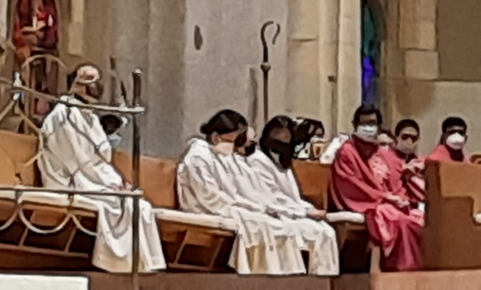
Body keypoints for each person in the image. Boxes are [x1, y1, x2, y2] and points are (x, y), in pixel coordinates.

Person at [39, 64, 166, 273]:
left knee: (140, 206)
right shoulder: (64, 116)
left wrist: (117, 182)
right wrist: (110, 185)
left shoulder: (88, 116)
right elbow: (79, 163)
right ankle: (121, 268)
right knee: (123, 205)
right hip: (71, 181)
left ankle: (143, 268)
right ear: (75, 84)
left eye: (97, 78)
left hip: (94, 178)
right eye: (89, 78)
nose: (95, 84)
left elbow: (100, 160)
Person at [177, 110, 305, 275]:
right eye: (234, 139)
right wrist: (246, 206)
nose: (237, 145)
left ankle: (284, 278)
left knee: (273, 224)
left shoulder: (220, 155)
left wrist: (253, 206)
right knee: (261, 224)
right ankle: (256, 276)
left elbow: (236, 192)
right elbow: (208, 196)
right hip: (204, 208)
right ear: (216, 137)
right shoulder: (198, 156)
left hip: (226, 206)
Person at [330, 105, 423, 272]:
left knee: (419, 219)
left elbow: (393, 182)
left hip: (387, 201)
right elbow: (350, 184)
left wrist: (400, 198)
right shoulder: (347, 152)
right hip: (368, 203)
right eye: (363, 123)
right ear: (354, 124)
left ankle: (416, 273)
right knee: (397, 220)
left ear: (379, 126)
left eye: (372, 123)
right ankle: (398, 270)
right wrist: (386, 197)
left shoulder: (381, 153)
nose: (368, 127)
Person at [244, 116, 339, 276]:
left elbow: (294, 197)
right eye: (278, 137)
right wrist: (304, 212)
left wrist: (309, 209)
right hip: (275, 214)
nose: (282, 142)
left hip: (292, 212)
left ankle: (323, 280)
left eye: (286, 138)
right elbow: (272, 197)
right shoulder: (258, 161)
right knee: (316, 234)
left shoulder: (284, 162)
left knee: (327, 232)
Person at [383, 119, 425, 205]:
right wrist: (403, 171)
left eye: (414, 138)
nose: (409, 141)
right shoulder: (386, 158)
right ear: (397, 137)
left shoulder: (420, 161)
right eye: (405, 136)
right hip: (395, 202)